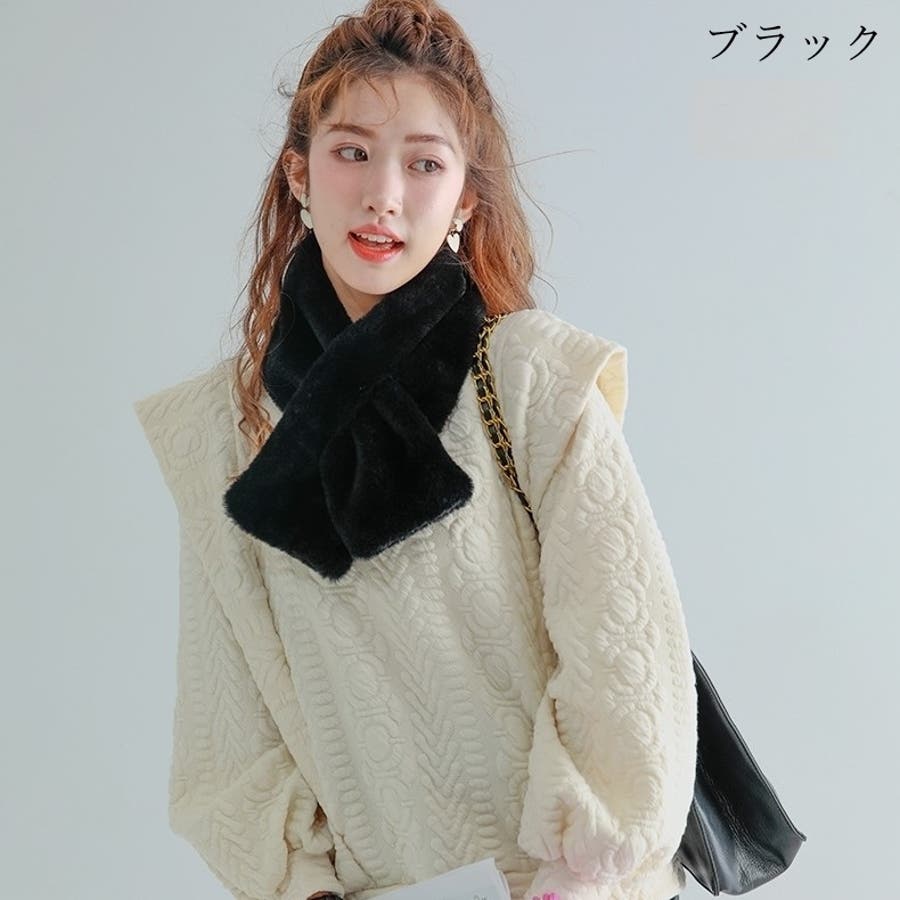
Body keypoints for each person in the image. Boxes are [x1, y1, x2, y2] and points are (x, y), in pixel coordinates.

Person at [132, 2, 696, 899]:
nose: (384, 195)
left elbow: (626, 669)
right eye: (352, 152)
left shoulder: (532, 380)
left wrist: (574, 879)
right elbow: (226, 733)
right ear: (299, 172)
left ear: (465, 197)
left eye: (424, 163)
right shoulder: (223, 428)